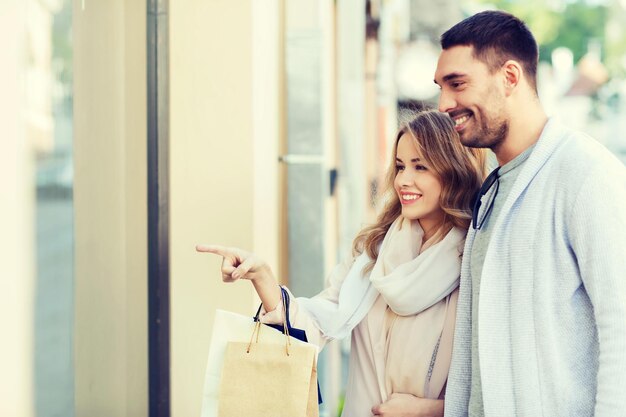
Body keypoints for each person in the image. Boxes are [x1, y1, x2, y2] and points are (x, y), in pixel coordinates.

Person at [197, 110, 485, 417]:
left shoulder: (473, 261)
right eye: (400, 166)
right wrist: (263, 276)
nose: (404, 180)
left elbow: (491, 383)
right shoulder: (374, 251)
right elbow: (317, 324)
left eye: (420, 167)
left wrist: (431, 411)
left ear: (453, 170)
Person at [433, 10, 626, 417]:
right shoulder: (492, 190)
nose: (444, 103)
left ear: (510, 77)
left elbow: (621, 328)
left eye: (457, 84)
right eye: (441, 87)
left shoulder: (586, 174)